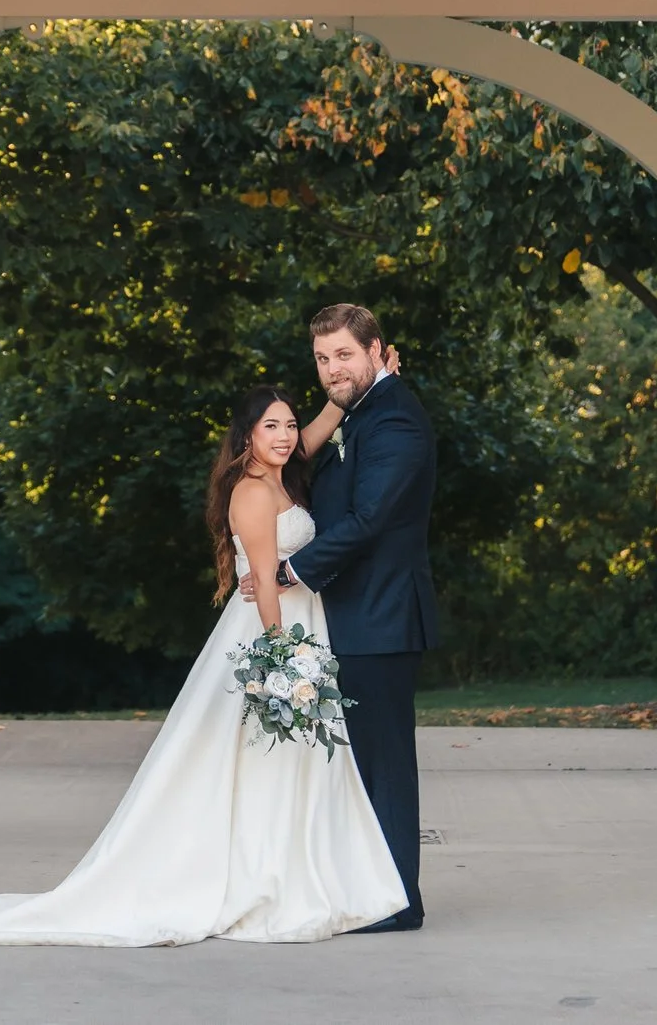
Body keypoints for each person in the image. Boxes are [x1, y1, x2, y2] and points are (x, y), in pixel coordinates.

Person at [0, 383, 407, 946]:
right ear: (246, 435)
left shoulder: (282, 475)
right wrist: (283, 659)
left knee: (288, 764)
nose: (286, 435)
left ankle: (298, 872)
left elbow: (313, 437)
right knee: (261, 760)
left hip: (302, 626)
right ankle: (262, 877)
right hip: (273, 635)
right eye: (271, 426)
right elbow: (266, 582)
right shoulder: (250, 492)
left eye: (289, 425)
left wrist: (355, 391)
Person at [269, 302, 437, 932]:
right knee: (363, 765)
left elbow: (369, 521)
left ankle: (398, 903)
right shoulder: (364, 410)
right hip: (357, 615)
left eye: (343, 354)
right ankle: (372, 890)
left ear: (376, 350)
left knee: (384, 765)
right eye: (322, 358)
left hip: (382, 616)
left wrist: (292, 572)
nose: (332, 368)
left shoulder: (394, 422)